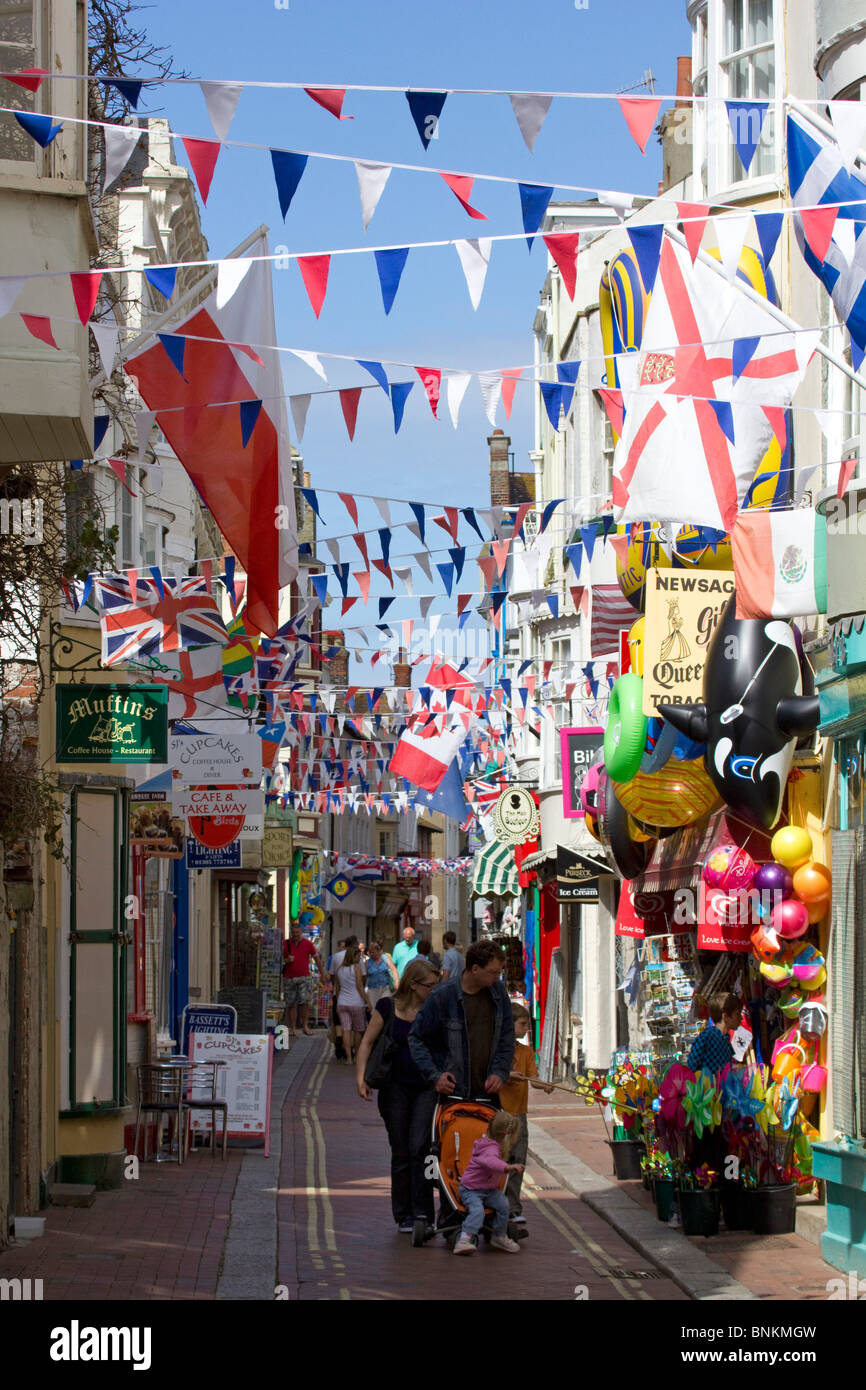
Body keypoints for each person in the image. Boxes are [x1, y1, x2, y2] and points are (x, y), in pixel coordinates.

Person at [356, 959, 440, 1234]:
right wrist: (361, 1078)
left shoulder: (434, 1010)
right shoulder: (387, 1007)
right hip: (394, 1088)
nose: (434, 990)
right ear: (414, 985)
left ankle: (424, 1212)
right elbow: (367, 1042)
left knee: (422, 1148)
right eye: (430, 985)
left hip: (426, 1088)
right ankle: (403, 1214)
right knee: (401, 1149)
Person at [408, 940, 515, 1100]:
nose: (496, 977)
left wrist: (500, 1072)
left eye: (498, 972)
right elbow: (416, 1038)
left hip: (487, 1092)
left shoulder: (498, 993)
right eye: (492, 972)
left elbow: (506, 1036)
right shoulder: (443, 995)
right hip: (452, 1092)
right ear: (475, 969)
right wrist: (435, 1076)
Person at [499, 1003, 554, 1223]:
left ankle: (513, 1208)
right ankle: (496, 1204)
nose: (526, 1029)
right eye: (522, 1024)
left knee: (517, 1159)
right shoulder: (499, 1050)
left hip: (519, 1115)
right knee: (498, 1161)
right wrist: (508, 1074)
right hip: (501, 1114)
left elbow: (534, 1078)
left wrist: (546, 1086)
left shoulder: (527, 1052)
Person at [453, 1111, 523, 1256]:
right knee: (477, 1211)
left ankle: (499, 1235)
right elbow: (492, 1163)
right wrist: (508, 1167)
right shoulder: (489, 1149)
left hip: (488, 1189)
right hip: (471, 1189)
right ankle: (464, 1240)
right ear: (505, 1135)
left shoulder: (492, 1144)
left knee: (504, 1204)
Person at [283, 924, 329, 1037]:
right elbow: (279, 959)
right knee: (291, 1004)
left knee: (304, 1003)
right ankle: (293, 1028)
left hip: (304, 977)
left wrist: (322, 974)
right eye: (293, 933)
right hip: (289, 977)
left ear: (301, 933)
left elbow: (316, 958)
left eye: (297, 933)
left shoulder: (308, 944)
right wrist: (286, 960)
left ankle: (305, 1026)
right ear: (291, 933)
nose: (295, 935)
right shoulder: (285, 944)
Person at [686, 993, 742, 1075]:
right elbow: (691, 1070)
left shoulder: (725, 1039)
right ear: (725, 1017)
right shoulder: (706, 1037)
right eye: (737, 1014)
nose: (741, 1018)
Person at [335, 943, 370, 1063]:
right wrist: (368, 1001)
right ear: (353, 957)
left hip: (342, 1003)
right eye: (358, 956)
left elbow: (338, 989)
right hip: (356, 1004)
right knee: (358, 1031)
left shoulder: (339, 969)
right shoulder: (356, 968)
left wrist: (337, 1004)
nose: (360, 958)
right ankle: (356, 1057)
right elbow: (360, 987)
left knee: (346, 1030)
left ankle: (348, 1058)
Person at [364, 939, 398, 1008]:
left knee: (386, 1007)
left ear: (378, 951)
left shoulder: (385, 958)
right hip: (372, 989)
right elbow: (365, 976)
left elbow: (394, 970)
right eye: (370, 952)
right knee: (374, 1010)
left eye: (373, 952)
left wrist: (397, 982)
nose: (371, 954)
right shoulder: (368, 962)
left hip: (385, 988)